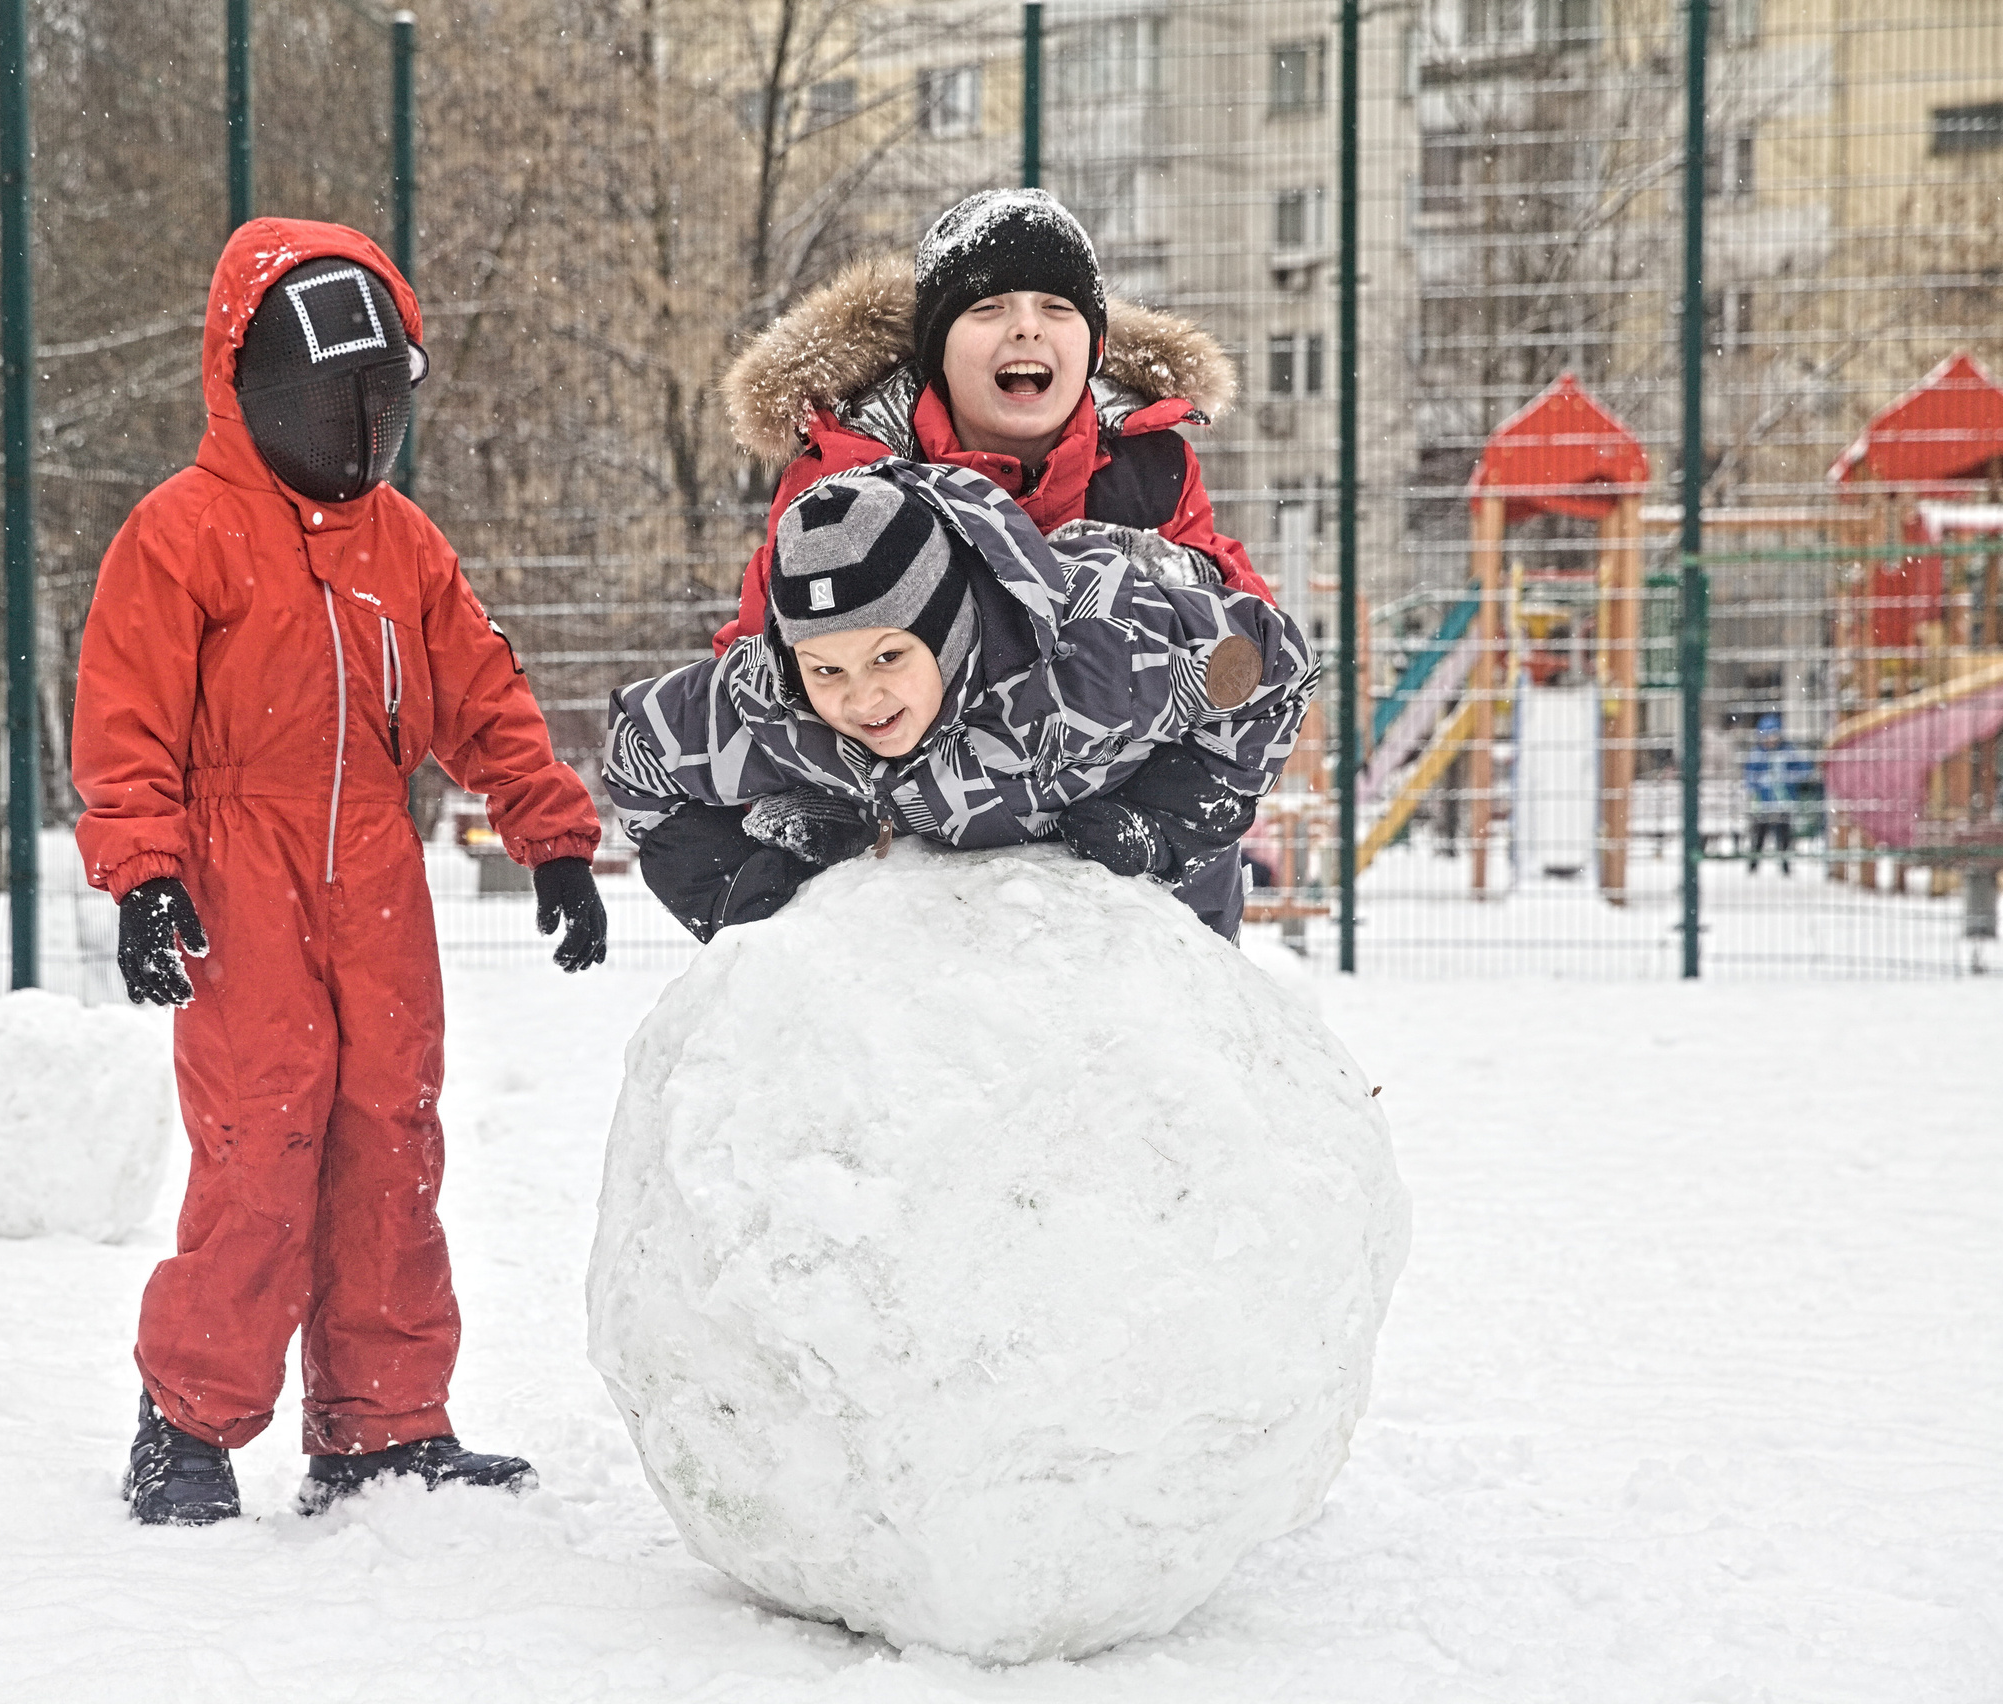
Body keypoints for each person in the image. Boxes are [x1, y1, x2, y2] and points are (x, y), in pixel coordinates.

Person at [71, 218, 608, 1526]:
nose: (361, 429)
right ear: (252, 385)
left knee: (389, 1137)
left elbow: (484, 698)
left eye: (381, 400)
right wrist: (145, 874)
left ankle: (382, 1425)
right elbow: (124, 721)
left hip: (374, 867)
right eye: (335, 399)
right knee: (263, 1139)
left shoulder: (404, 546)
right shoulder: (181, 533)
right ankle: (187, 1423)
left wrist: (551, 837)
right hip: (234, 870)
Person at [712, 187, 1273, 936]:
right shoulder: (846, 478)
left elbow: (1248, 659)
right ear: (937, 350)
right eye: (987, 308)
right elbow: (764, 661)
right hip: (914, 844)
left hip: (1123, 846)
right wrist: (829, 792)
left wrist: (1168, 814)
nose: (1026, 327)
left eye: (1057, 307)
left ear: (1094, 344)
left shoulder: (1150, 471)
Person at [602, 457, 1315, 940]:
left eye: (889, 657)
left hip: (1160, 950)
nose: (862, 698)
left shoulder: (1098, 649)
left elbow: (1274, 668)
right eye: (826, 670)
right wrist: (740, 891)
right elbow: (638, 752)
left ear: (945, 634)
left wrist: (1166, 823)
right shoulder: (771, 706)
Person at [1742, 712, 1815, 876]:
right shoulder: (1757, 754)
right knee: (1759, 835)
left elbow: (1804, 770)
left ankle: (1785, 865)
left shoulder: (1789, 752)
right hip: (1764, 803)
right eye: (1766, 736)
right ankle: (1753, 864)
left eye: (1774, 735)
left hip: (1784, 802)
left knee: (1784, 835)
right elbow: (1750, 776)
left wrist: (1789, 777)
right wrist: (1758, 784)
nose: (1770, 740)